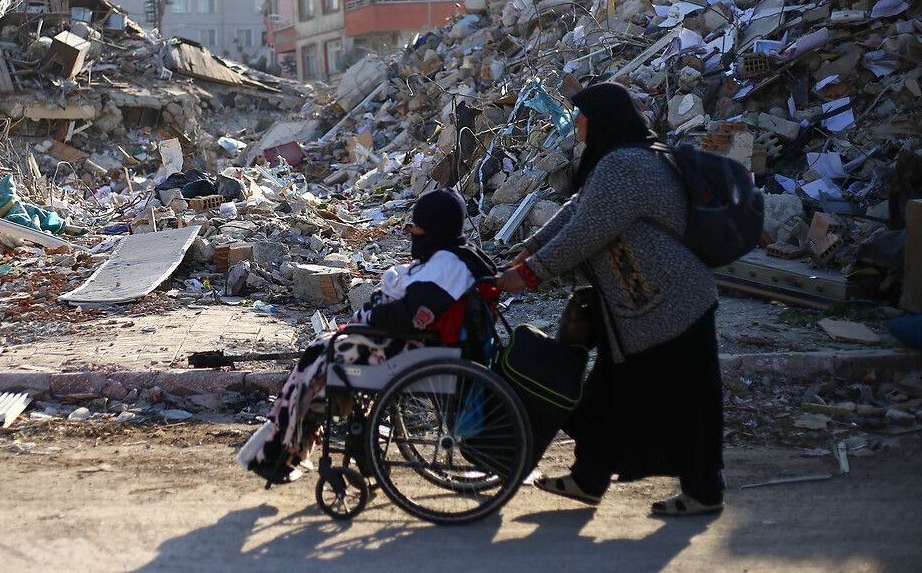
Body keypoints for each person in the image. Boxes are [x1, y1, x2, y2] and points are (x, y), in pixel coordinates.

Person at [498, 82, 725, 517]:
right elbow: (579, 210)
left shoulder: (625, 166)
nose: (575, 122)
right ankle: (588, 480)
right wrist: (527, 251)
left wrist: (528, 274)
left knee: (691, 404)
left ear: (602, 118)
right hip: (639, 307)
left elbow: (586, 233)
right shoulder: (618, 160)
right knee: (605, 397)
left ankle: (704, 491)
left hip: (672, 303)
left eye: (580, 114)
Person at [238, 188, 496, 483]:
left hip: (413, 348)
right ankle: (296, 439)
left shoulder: (446, 266)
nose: (411, 233)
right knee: (323, 348)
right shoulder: (453, 257)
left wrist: (370, 317)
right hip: (421, 343)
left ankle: (281, 448)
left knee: (321, 354)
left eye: (416, 227)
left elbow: (411, 316)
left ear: (434, 228)